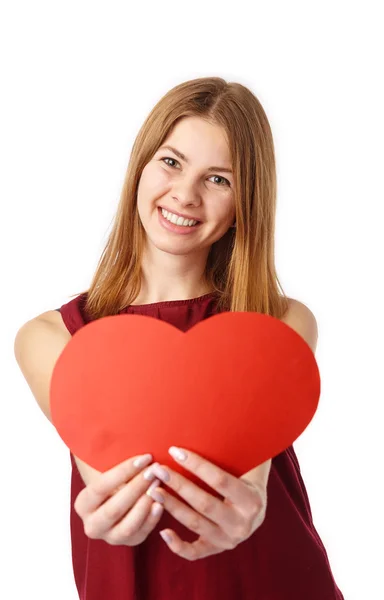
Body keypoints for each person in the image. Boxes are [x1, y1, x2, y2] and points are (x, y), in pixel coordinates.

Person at [14, 77, 344, 599]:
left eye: (219, 179)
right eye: (171, 162)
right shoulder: (51, 338)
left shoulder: (281, 324)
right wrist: (110, 508)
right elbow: (104, 467)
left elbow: (252, 467)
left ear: (245, 203)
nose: (185, 194)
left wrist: (250, 495)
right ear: (140, 167)